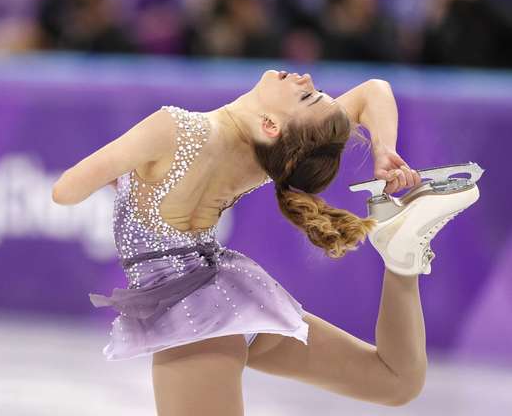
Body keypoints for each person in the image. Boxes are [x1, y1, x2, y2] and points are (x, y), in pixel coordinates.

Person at [52, 69, 485, 413]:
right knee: (395, 380)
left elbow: (66, 190)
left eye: (306, 97)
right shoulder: (264, 159)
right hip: (229, 299)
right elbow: (375, 90)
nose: (306, 80)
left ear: (270, 125)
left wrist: (128, 173)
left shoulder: (172, 128)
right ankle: (401, 262)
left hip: (191, 321)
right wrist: (382, 150)